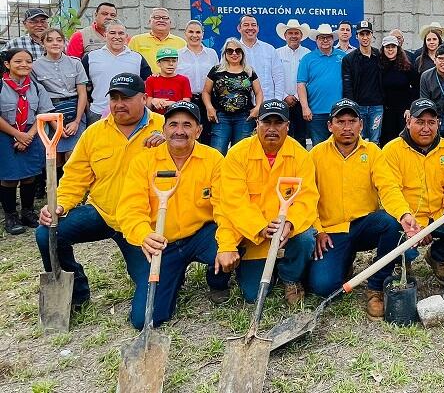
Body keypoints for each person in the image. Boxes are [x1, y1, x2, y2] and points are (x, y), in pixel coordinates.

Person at [36, 73, 166, 308]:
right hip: (103, 212)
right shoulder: (94, 133)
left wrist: (168, 143)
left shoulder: (165, 127)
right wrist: (61, 203)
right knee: (47, 234)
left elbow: (189, 158)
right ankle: (76, 292)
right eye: (114, 98)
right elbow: (75, 176)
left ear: (144, 98)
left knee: (154, 296)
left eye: (126, 98)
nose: (118, 104)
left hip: (142, 221)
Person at [116, 101, 238, 327]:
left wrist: (227, 245)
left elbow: (225, 206)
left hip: (201, 234)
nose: (179, 131)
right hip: (163, 243)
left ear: (198, 130)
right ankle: (174, 274)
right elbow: (130, 208)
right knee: (145, 319)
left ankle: (217, 280)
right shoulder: (144, 162)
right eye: (172, 125)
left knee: (234, 243)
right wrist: (144, 235)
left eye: (187, 125)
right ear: (163, 130)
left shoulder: (214, 160)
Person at [307, 99, 419, 319]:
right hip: (331, 232)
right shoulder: (315, 155)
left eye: (352, 121)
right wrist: (318, 229)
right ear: (330, 125)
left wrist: (404, 214)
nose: (347, 127)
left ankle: (376, 287)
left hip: (364, 225)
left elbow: (388, 187)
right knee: (323, 287)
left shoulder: (373, 152)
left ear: (361, 125)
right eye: (341, 121)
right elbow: (307, 197)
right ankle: (343, 259)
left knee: (390, 222)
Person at [218, 99, 318, 306]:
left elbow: (307, 198)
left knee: (307, 237)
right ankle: (265, 268)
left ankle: (290, 276)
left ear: (288, 127)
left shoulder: (300, 156)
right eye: (266, 123)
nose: (272, 128)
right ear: (257, 125)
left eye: (278, 123)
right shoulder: (237, 154)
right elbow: (233, 200)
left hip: (287, 232)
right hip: (254, 235)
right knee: (253, 295)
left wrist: (289, 223)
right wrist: (261, 228)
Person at [383, 98, 444, 279]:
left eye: (431, 122)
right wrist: (411, 220)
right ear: (408, 121)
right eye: (419, 122)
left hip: (440, 215)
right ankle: (403, 262)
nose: (426, 128)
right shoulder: (392, 150)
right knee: (393, 233)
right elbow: (390, 190)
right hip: (408, 219)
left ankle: (436, 257)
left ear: (438, 123)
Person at [0, 48, 53, 234]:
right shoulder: (1, 86)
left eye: (28, 62)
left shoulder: (37, 87)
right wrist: (17, 134)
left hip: (31, 134)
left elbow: (43, 113)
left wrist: (28, 135)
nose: (24, 65)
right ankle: (11, 215)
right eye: (18, 61)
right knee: (9, 177)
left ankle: (28, 212)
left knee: (30, 175)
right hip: (6, 135)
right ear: (7, 64)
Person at [32, 28, 89, 162]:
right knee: (54, 157)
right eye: (50, 40)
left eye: (59, 40)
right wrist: (54, 125)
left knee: (73, 155)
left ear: (64, 43)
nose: (55, 43)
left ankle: (71, 182)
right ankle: (54, 183)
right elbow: (39, 98)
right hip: (51, 114)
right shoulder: (35, 66)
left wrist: (76, 121)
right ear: (43, 44)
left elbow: (82, 93)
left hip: (75, 113)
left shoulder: (75, 63)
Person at [202, 38, 263, 155]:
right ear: (225, 53)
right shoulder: (216, 70)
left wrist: (257, 108)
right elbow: (206, 92)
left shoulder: (249, 71)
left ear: (242, 53)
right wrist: (209, 108)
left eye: (238, 51)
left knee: (241, 153)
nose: (234, 53)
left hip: (245, 118)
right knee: (217, 152)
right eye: (230, 51)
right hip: (221, 117)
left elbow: (259, 92)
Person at [82, 20, 151, 123]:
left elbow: (147, 85)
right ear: (105, 35)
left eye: (121, 33)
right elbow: (82, 88)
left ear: (126, 36)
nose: (117, 36)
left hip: (129, 113)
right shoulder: (90, 57)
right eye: (112, 33)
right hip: (97, 113)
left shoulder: (137, 58)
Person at [297, 24, 346, 146]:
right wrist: (305, 107)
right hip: (316, 113)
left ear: (332, 39)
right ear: (316, 40)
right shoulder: (307, 59)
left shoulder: (343, 56)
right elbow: (301, 85)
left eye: (328, 37)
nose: (325, 40)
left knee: (340, 146)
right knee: (319, 147)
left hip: (339, 111)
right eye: (321, 37)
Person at [176, 20, 219, 145]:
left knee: (207, 136)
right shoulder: (178, 54)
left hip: (208, 101)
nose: (194, 35)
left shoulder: (212, 54)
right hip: (186, 99)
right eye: (191, 32)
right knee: (188, 134)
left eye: (198, 32)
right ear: (185, 34)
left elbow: (217, 77)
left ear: (203, 34)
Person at [342, 20, 383, 142]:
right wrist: (351, 107)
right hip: (359, 106)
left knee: (375, 141)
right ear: (356, 36)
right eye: (361, 34)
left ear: (372, 35)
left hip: (377, 106)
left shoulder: (379, 56)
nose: (365, 38)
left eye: (367, 34)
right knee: (360, 140)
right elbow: (347, 85)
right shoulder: (349, 59)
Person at [276, 19, 311, 145]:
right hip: (282, 100)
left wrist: (296, 97)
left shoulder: (308, 54)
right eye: (290, 33)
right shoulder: (277, 53)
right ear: (285, 35)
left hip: (302, 102)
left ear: (301, 36)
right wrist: (285, 96)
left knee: (301, 136)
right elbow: (274, 77)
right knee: (283, 135)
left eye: (296, 33)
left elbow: (309, 78)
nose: (293, 36)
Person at [379, 35, 417, 146]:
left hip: (404, 112)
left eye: (393, 47)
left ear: (398, 48)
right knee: (387, 142)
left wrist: (410, 108)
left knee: (403, 141)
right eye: (387, 47)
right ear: (383, 49)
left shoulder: (407, 66)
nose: (390, 49)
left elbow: (415, 88)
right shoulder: (379, 66)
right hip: (385, 111)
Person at [237, 15, 284, 102]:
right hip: (241, 104)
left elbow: (279, 77)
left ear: (258, 28)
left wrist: (277, 100)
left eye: (253, 25)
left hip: (267, 103)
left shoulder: (269, 49)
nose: (250, 28)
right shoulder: (232, 51)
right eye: (246, 25)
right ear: (239, 28)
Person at [129, 8, 187, 73]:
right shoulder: (136, 41)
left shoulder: (181, 43)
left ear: (170, 22)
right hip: (145, 82)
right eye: (157, 17)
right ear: (149, 21)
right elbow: (130, 64)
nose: (161, 20)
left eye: (165, 18)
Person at [145, 47, 192, 114]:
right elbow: (147, 106)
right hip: (156, 118)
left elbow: (187, 104)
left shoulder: (183, 80)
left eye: (174, 61)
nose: (170, 64)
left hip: (176, 117)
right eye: (166, 61)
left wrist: (172, 104)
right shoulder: (151, 80)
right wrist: (153, 101)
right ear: (158, 63)